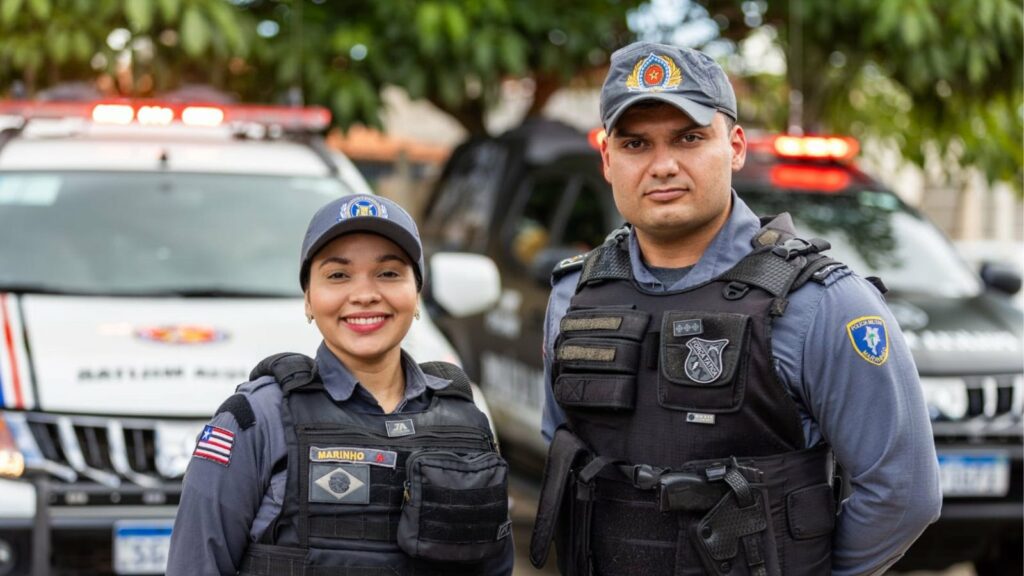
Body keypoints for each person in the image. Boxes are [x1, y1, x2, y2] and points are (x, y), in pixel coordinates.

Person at [529, 42, 941, 576]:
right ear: (608, 159)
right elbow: (564, 455)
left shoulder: (820, 303)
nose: (663, 165)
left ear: (736, 146)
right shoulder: (573, 295)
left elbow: (902, 493)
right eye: (636, 143)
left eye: (690, 138)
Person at [167, 194, 514, 576]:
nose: (364, 294)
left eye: (388, 273)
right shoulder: (256, 420)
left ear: (417, 294)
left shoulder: (466, 423)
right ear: (308, 300)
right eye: (337, 275)